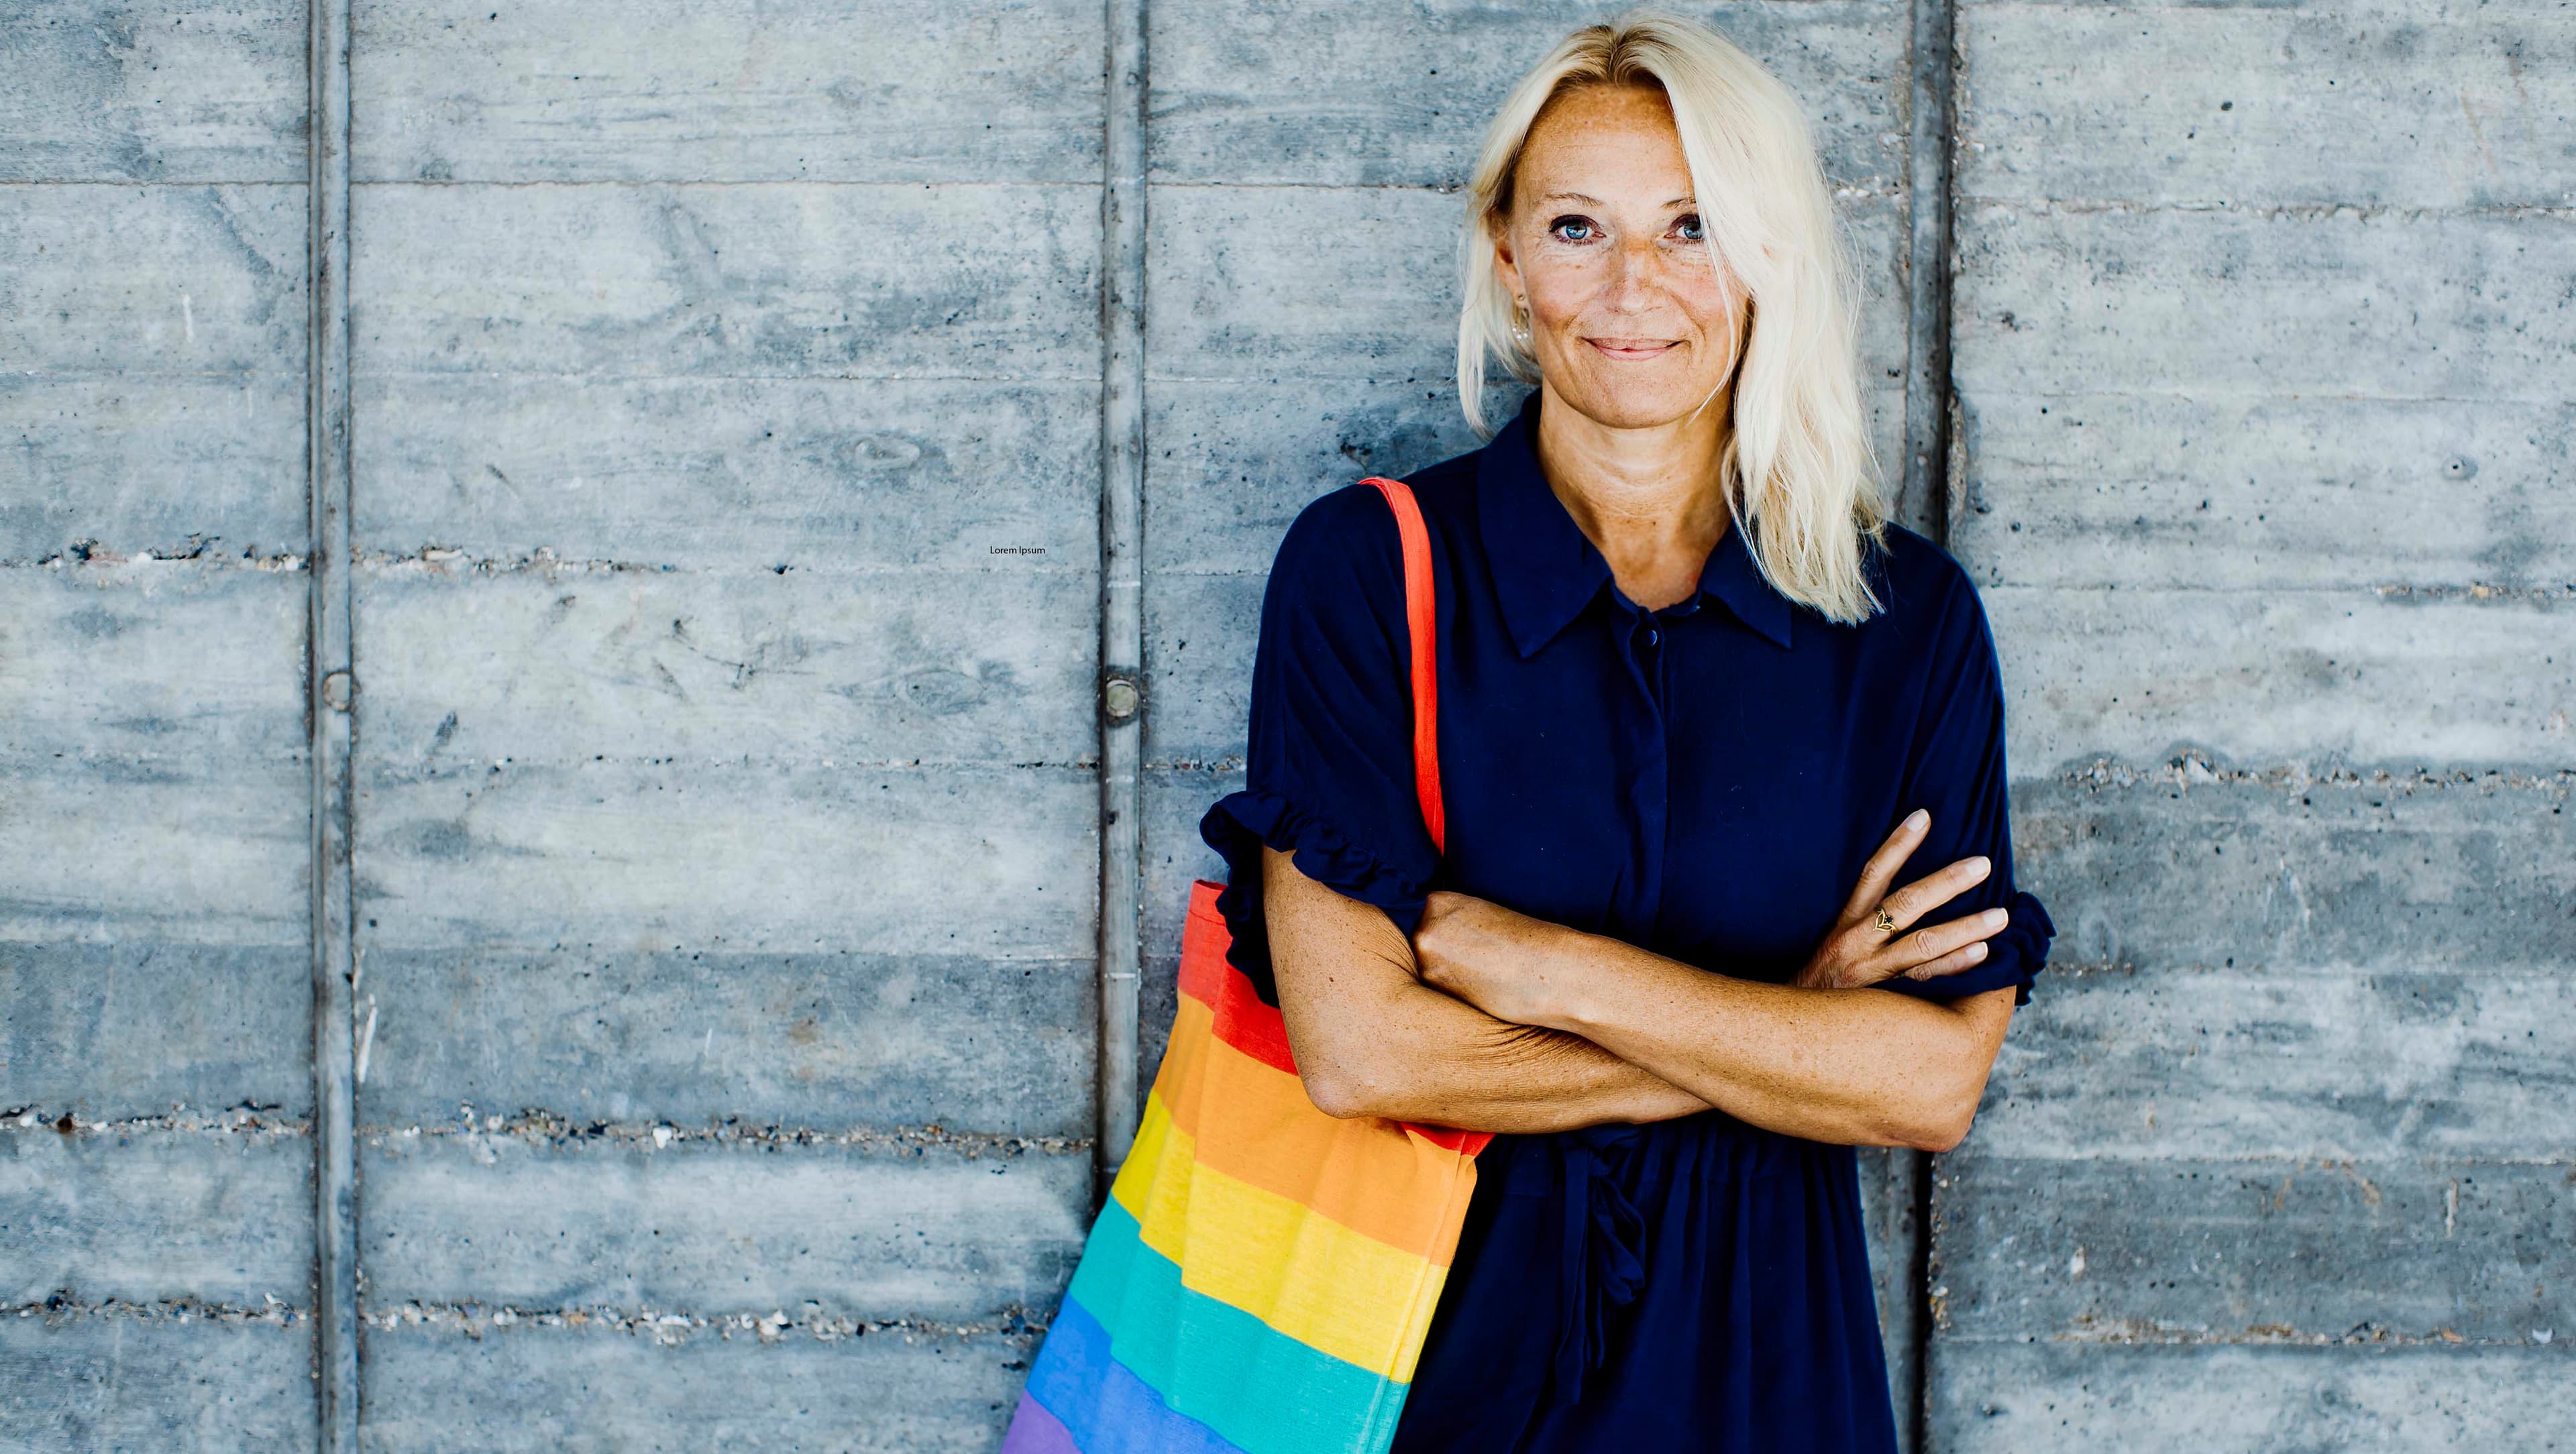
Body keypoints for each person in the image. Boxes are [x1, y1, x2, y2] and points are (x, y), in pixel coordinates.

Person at [1195, 11, 2055, 1449]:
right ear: (1507, 259)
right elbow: (1361, 1054)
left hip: (1772, 1385)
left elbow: (1929, 1081)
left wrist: (1544, 967)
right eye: (1580, 225)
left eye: (1694, 225)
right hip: (1425, 1385)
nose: (1634, 285)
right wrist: (1797, 1025)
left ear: (1766, 260)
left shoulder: (1903, 622)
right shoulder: (1367, 573)